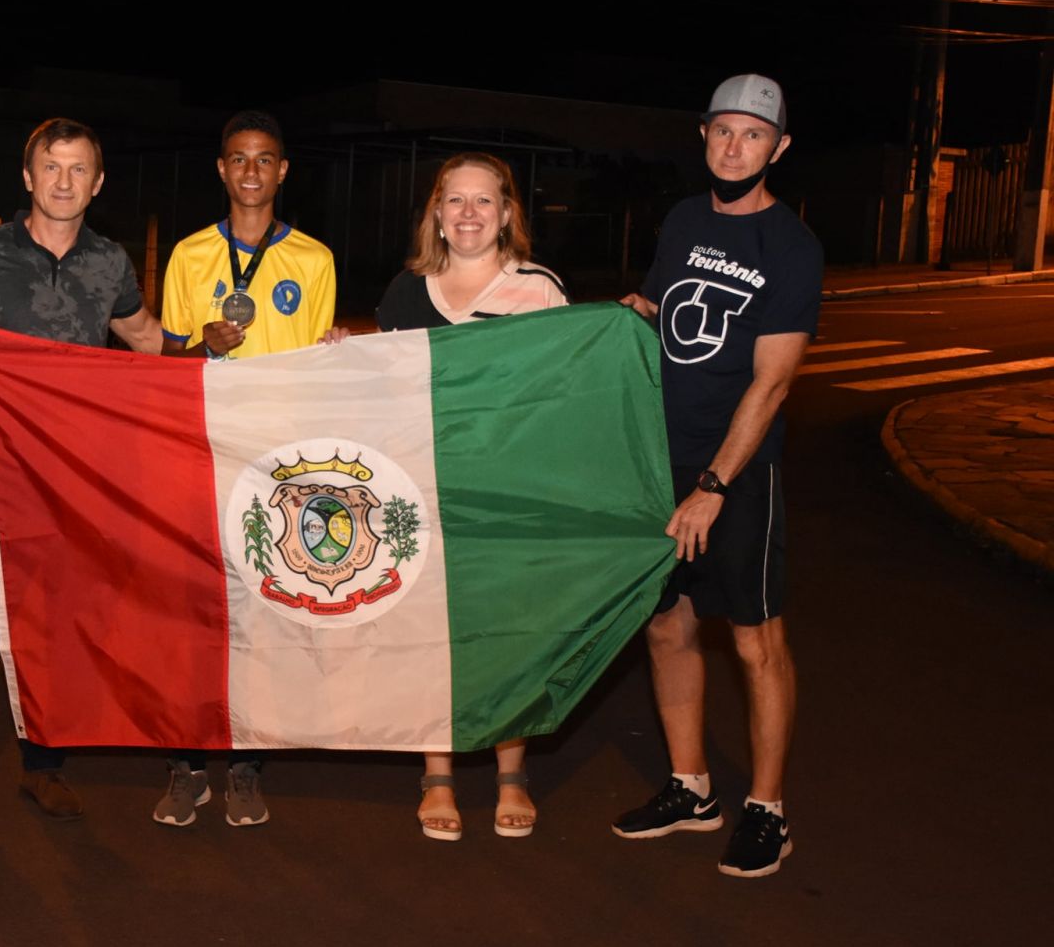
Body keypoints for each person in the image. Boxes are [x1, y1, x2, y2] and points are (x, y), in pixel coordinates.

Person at [0, 117, 237, 833]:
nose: (64, 181)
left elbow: (145, 342)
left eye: (78, 169)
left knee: (55, 625)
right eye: (51, 167)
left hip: (71, 483)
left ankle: (43, 766)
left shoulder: (108, 263)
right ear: (28, 177)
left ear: (98, 182)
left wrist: (202, 352)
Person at [615, 74, 822, 878]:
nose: (735, 147)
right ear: (703, 134)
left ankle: (768, 808)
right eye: (724, 130)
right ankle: (691, 788)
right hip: (656, 462)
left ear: (779, 147)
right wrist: (638, 314)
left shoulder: (792, 247)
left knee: (754, 640)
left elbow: (772, 383)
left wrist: (713, 486)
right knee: (666, 625)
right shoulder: (682, 220)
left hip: (735, 473)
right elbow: (666, 310)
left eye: (754, 134)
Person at [152, 110, 342, 828]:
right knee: (190, 613)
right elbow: (166, 366)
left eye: (265, 159)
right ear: (221, 169)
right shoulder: (189, 255)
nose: (252, 171)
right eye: (239, 158)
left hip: (278, 465)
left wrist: (342, 356)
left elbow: (322, 370)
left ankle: (246, 766)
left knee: (262, 616)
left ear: (282, 170)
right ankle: (186, 765)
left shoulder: (315, 260)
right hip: (201, 452)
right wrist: (201, 346)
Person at [375, 151, 569, 842]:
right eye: (454, 199)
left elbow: (565, 392)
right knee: (433, 634)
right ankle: (438, 774)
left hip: (509, 496)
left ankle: (512, 773)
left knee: (508, 633)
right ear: (436, 213)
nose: (468, 213)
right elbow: (382, 394)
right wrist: (346, 353)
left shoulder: (539, 290)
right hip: (425, 491)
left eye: (484, 200)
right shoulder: (406, 291)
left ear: (507, 213)